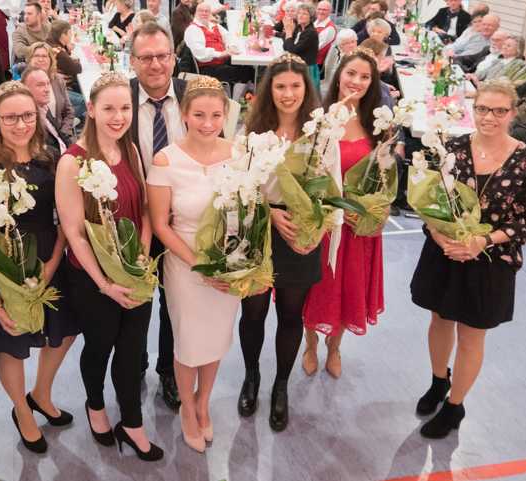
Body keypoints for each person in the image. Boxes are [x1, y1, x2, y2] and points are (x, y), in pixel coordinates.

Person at [410, 79, 526, 439]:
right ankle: (439, 381)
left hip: (490, 262)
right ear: (474, 109)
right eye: (483, 108)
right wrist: (438, 234)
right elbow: (427, 201)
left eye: (499, 111)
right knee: (439, 320)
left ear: (512, 114)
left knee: (471, 334)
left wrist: (481, 241)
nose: (489, 117)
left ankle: (455, 406)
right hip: (445, 253)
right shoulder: (452, 148)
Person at [55, 72, 164, 461]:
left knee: (133, 349)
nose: (118, 117)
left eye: (124, 108)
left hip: (135, 272)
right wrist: (104, 283)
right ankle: (96, 404)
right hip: (92, 279)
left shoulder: (131, 150)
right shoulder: (73, 162)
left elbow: (147, 210)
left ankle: (132, 423)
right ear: (92, 111)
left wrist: (142, 256)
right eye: (109, 109)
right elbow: (74, 231)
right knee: (100, 346)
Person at [0, 80, 77, 454]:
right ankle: (21, 411)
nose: (20, 124)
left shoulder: (50, 158)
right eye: (11, 117)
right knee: (10, 345)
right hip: (3, 265)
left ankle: (41, 392)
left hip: (49, 256)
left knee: (64, 334)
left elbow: (64, 220)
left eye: (27, 115)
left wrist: (52, 264)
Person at [147, 75, 238, 453]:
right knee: (187, 342)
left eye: (216, 115)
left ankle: (204, 401)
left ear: (225, 115)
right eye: (199, 114)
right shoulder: (166, 160)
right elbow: (160, 225)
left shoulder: (237, 154)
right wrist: (200, 264)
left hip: (227, 264)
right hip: (185, 265)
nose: (207, 123)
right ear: (184, 114)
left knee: (216, 340)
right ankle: (187, 406)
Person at [237, 53, 323, 432]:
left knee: (291, 315)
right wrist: (270, 213)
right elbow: (240, 184)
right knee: (253, 312)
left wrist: (315, 229)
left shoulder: (320, 133)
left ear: (307, 89)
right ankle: (252, 375)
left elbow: (330, 186)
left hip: (301, 233)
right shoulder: (251, 134)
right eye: (280, 86)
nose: (288, 94)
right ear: (268, 90)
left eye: (295, 86)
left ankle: (281, 385)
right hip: (261, 228)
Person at [301, 48, 386, 378]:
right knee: (315, 289)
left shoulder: (376, 124)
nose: (357, 82)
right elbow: (305, 172)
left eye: (365, 77)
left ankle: (335, 349)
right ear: (338, 76)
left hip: (355, 226)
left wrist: (370, 211)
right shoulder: (318, 117)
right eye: (351, 74)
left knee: (346, 290)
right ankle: (309, 346)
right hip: (322, 223)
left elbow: (383, 178)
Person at [130, 21, 187, 410]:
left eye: (162, 56)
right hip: (132, 223)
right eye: (146, 57)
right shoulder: (118, 100)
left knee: (174, 304)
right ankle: (134, 365)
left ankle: (169, 371)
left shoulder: (193, 96)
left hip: (182, 222)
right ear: (132, 62)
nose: (155, 64)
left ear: (173, 58)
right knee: (135, 303)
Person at [183, 2, 254, 88]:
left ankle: (245, 92)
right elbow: (201, 54)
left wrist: (231, 46)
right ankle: (240, 95)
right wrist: (221, 54)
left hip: (222, 61)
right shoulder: (193, 30)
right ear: (195, 13)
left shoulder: (213, 25)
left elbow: (229, 37)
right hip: (208, 67)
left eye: (207, 11)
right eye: (201, 11)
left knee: (248, 67)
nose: (204, 13)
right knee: (246, 72)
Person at [25, 42, 76, 140]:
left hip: (61, 135)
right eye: (36, 56)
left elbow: (69, 111)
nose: (40, 59)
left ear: (51, 60)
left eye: (44, 56)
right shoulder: (24, 84)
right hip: (37, 140)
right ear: (29, 60)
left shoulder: (58, 80)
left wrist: (64, 133)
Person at [22, 67, 71, 153]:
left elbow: (59, 136)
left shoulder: (43, 107)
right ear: (26, 89)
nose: (47, 89)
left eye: (48, 84)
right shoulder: (26, 123)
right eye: (40, 85)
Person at [47, 20, 87, 123]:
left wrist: (68, 50)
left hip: (57, 84)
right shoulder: (58, 51)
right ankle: (64, 120)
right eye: (70, 33)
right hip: (58, 88)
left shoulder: (51, 43)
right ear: (63, 35)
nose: (71, 36)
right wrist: (75, 60)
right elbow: (77, 68)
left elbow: (68, 62)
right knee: (85, 101)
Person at [282, 3, 320, 91]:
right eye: (299, 13)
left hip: (307, 70)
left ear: (311, 17)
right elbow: (286, 46)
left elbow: (292, 50)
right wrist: (288, 32)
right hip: (298, 65)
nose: (300, 16)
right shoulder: (299, 28)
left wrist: (288, 32)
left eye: (304, 14)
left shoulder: (310, 33)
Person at [321, 28, 358, 94]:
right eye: (347, 43)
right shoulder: (336, 54)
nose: (351, 45)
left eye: (353, 41)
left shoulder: (359, 58)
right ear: (340, 45)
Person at [314, 1, 337, 71]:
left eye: (324, 10)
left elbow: (317, 47)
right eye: (319, 9)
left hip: (316, 63)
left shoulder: (330, 28)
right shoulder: (315, 22)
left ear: (330, 12)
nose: (321, 12)